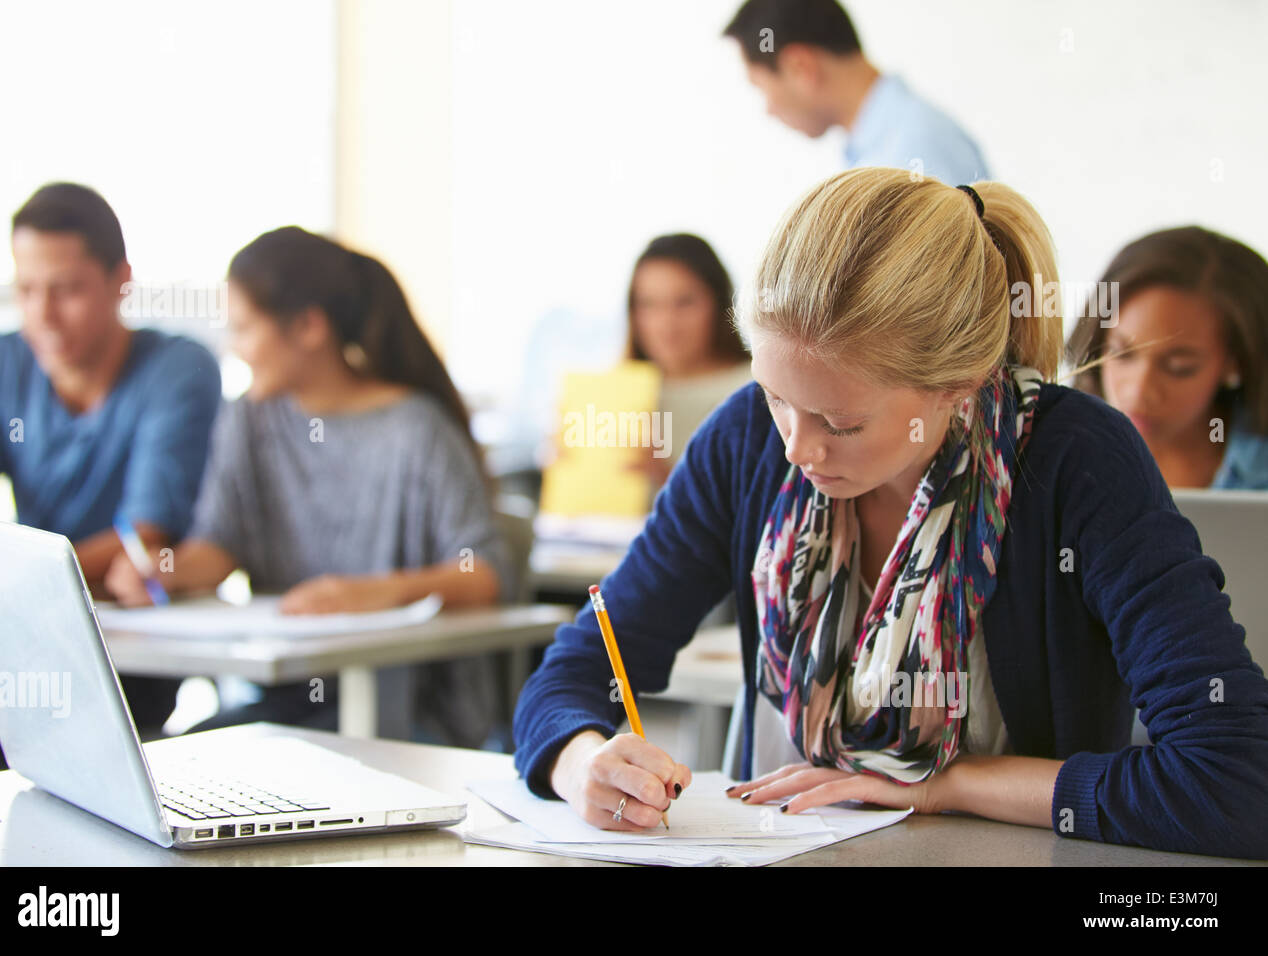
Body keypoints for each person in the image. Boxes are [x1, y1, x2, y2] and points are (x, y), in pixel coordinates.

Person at [513, 168, 1268, 858]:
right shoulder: (746, 438)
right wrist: (582, 762)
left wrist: (946, 785)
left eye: (840, 423)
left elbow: (1237, 781)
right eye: (778, 397)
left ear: (960, 384)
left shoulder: (1077, 461)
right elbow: (574, 674)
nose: (798, 449)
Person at [106, 226, 512, 747]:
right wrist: (162, 570)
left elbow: (485, 573)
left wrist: (373, 594)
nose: (236, 349)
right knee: (169, 763)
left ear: (309, 327)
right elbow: (222, 543)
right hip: (292, 700)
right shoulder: (248, 420)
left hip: (411, 710)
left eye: (245, 329)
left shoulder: (416, 429)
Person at [0, 182, 220, 755]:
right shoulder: (1, 360)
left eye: (67, 290)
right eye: (27, 289)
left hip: (123, 654)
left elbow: (144, 538)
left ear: (120, 280)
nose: (44, 316)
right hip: (17, 637)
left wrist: (17, 589)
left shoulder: (179, 369)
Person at [1067, 226, 1268, 489]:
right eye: (1121, 354)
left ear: (1235, 363)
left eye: (1178, 368)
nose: (1139, 392)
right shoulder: (1047, 453)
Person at [724, 0, 989, 184]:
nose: (768, 110)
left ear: (800, 67)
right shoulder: (891, 145)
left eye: (761, 88)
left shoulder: (912, 150)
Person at [624, 234, 753, 490]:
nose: (666, 323)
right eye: (649, 304)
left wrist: (667, 477)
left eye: (684, 302)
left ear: (718, 303)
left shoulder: (757, 390)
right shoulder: (619, 391)